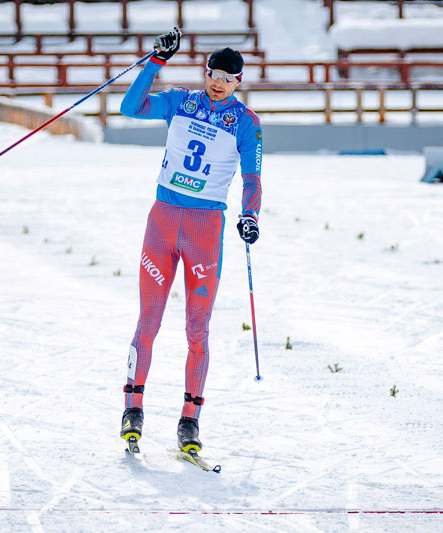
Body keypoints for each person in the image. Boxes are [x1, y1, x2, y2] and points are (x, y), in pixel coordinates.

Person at [118, 28, 262, 454]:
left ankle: (189, 421)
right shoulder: (180, 101)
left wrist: (250, 215)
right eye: (214, 74)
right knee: (148, 323)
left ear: (239, 82)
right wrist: (155, 62)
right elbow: (130, 107)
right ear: (205, 72)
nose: (219, 82)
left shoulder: (247, 123)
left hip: (204, 231)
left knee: (196, 330)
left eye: (228, 78)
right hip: (162, 222)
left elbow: (253, 176)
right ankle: (133, 409)